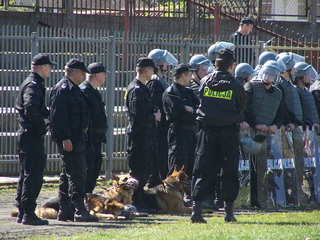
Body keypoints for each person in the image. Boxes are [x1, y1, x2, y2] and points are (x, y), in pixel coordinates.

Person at [191, 49, 247, 223]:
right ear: (232, 66)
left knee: (201, 170)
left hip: (207, 132)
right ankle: (229, 213)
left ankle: (197, 211)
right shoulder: (236, 85)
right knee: (229, 171)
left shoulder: (205, 81)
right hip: (228, 133)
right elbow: (242, 107)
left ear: (215, 64)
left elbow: (200, 100)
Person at [49, 58, 99, 222]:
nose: (85, 76)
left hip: (77, 138)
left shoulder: (74, 89)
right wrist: (65, 138)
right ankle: (79, 209)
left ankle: (65, 210)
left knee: (68, 174)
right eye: (83, 73)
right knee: (77, 173)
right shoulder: (63, 89)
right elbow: (57, 117)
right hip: (71, 139)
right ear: (75, 72)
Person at [15, 54, 55, 225]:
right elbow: (30, 107)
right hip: (31, 134)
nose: (51, 70)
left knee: (26, 174)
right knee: (33, 175)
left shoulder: (33, 83)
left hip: (27, 134)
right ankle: (28, 213)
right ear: (42, 67)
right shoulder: (33, 85)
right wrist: (43, 122)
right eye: (49, 67)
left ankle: (23, 211)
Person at [244, 60, 287, 208]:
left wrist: (275, 125)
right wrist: (255, 124)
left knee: (262, 167)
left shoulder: (278, 92)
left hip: (266, 135)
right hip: (249, 132)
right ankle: (251, 198)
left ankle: (262, 197)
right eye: (266, 73)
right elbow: (245, 107)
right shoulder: (251, 86)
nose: (268, 77)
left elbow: (282, 114)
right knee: (249, 167)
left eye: (271, 75)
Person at [125, 57, 161, 213]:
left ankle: (139, 200)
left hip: (145, 135)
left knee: (144, 170)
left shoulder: (142, 87)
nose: (153, 73)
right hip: (139, 136)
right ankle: (135, 201)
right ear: (146, 70)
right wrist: (154, 116)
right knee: (138, 170)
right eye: (152, 70)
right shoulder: (136, 89)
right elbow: (138, 115)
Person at [146, 49, 178, 187]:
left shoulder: (160, 81)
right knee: (158, 160)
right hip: (159, 129)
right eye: (164, 62)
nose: (166, 64)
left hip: (164, 127)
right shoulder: (155, 83)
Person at [162, 64, 199, 177]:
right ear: (182, 76)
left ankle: (188, 194)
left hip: (191, 133)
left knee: (191, 166)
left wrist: (191, 110)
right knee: (177, 169)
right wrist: (191, 111)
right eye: (189, 75)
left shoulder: (188, 91)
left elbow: (200, 109)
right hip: (178, 134)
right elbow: (179, 113)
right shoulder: (170, 92)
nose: (191, 78)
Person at [80, 62, 108, 193]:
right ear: (97, 76)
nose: (105, 77)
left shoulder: (94, 92)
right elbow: (85, 120)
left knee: (93, 173)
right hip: (88, 141)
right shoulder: (85, 92)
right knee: (87, 173)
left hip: (96, 140)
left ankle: (87, 201)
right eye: (104, 75)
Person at [293, 62, 320, 133]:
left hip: (312, 130)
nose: (309, 76)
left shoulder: (307, 92)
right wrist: (309, 123)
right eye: (306, 74)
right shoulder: (296, 92)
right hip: (304, 129)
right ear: (300, 76)